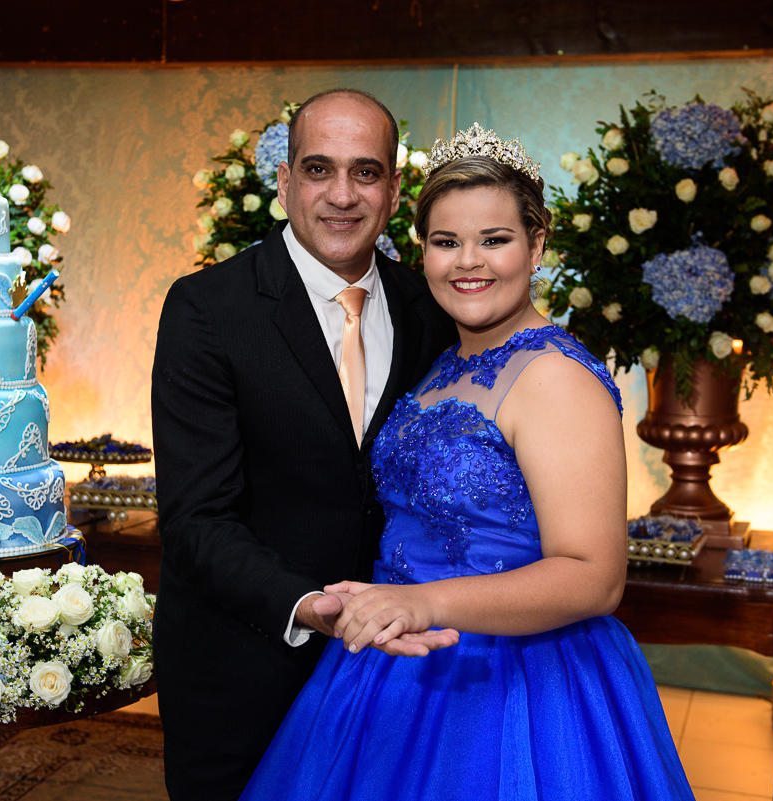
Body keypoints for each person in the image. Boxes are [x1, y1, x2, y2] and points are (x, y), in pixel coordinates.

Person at [240, 124, 697, 800]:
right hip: (393, 664)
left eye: (495, 239)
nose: (467, 262)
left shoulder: (553, 376)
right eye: (446, 241)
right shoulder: (449, 363)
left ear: (536, 245)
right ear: (421, 250)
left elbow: (594, 577)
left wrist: (425, 601)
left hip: (520, 686)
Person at [151, 89, 459, 801]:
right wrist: (309, 604)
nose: (342, 195)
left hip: (392, 673)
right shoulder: (207, 310)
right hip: (242, 665)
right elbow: (196, 520)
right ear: (285, 182)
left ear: (395, 187)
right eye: (319, 169)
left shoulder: (434, 310)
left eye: (366, 172)